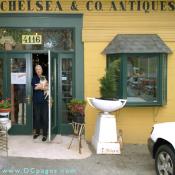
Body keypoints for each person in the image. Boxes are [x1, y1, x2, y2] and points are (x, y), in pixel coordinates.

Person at [31, 65, 48, 142]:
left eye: (39, 69)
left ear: (42, 70)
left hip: (44, 101)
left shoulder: (43, 77)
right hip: (36, 101)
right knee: (37, 118)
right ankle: (37, 133)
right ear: (35, 71)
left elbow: (46, 88)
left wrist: (40, 86)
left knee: (44, 118)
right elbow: (34, 88)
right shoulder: (34, 78)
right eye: (37, 69)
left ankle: (45, 134)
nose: (38, 70)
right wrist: (41, 86)